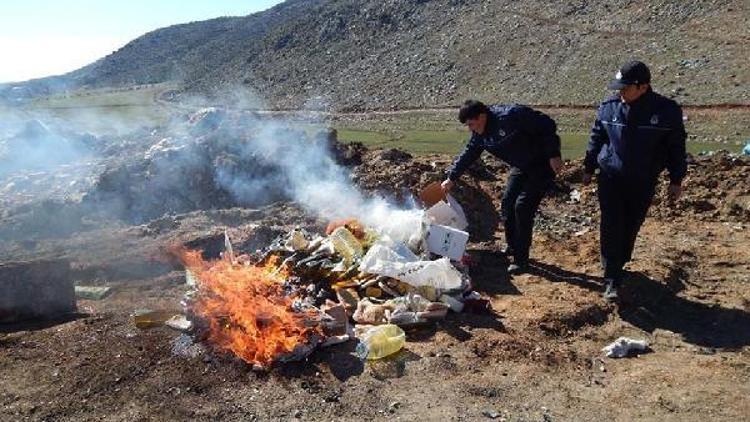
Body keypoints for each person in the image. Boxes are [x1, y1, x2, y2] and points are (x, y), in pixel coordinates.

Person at [583, 60, 687, 301]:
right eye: (618, 88)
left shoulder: (666, 111)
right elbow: (596, 138)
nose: (620, 93)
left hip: (643, 179)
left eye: (625, 88)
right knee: (611, 223)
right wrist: (588, 167)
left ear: (643, 87)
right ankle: (611, 278)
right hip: (611, 176)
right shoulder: (609, 107)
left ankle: (621, 260)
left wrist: (676, 179)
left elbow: (676, 147)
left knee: (632, 223)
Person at [441, 100, 562, 274]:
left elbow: (547, 124)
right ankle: (512, 247)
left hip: (542, 164)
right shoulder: (480, 134)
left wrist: (553, 154)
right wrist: (451, 177)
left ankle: (521, 260)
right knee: (507, 203)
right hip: (521, 166)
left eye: (471, 124)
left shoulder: (511, 115)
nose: (470, 129)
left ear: (482, 117)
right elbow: (470, 153)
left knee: (522, 207)